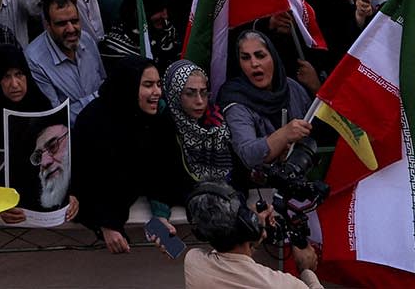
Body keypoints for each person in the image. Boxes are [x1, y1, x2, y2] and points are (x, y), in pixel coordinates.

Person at [70, 57, 190, 252]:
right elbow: (87, 180)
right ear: (128, 86)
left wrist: (160, 214)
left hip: (141, 201)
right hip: (102, 223)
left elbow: (164, 169)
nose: (157, 92)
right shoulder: (93, 122)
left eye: (159, 84)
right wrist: (107, 223)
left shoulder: (160, 117)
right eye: (148, 85)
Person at [217, 30, 315, 191]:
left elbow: (319, 132)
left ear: (273, 57)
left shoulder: (292, 88)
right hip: (258, 193)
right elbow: (248, 154)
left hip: (300, 187)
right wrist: (283, 135)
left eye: (260, 55)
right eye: (245, 58)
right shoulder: (235, 100)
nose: (254, 63)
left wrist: (316, 87)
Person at [182, 181, 323, 289]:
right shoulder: (283, 285)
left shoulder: (193, 261)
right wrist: (306, 270)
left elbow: (235, 260)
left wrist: (255, 229)